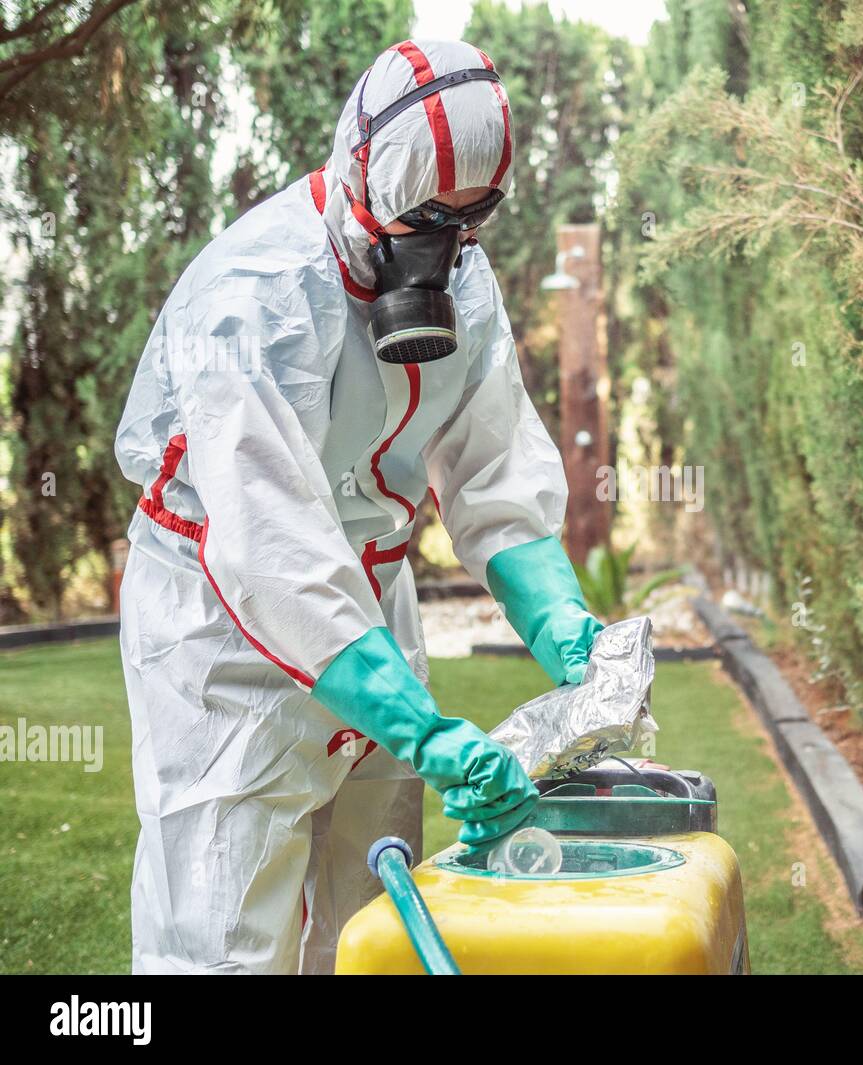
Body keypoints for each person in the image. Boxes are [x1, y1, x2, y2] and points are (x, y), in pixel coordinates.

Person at [113, 38, 602, 974]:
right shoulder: (251, 297)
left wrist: (565, 626)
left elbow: (491, 461)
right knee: (221, 929)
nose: (443, 252)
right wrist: (421, 726)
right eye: (423, 221)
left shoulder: (464, 274)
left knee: (381, 907)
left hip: (375, 595)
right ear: (360, 174)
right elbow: (272, 544)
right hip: (223, 627)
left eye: (473, 220)